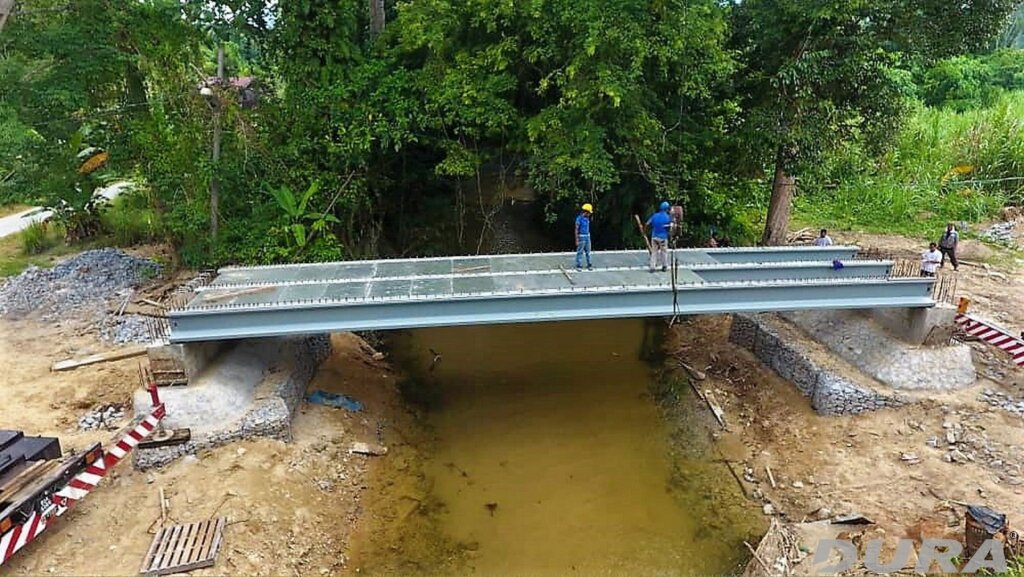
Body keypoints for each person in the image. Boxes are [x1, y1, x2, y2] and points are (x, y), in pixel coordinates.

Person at [645, 201, 674, 272]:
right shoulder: (668, 217)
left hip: (654, 237)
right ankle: (664, 266)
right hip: (663, 238)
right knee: (663, 251)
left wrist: (644, 229)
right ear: (667, 209)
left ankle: (652, 267)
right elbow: (672, 227)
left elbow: (647, 223)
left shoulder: (655, 215)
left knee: (654, 252)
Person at [575, 203, 593, 271]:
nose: (589, 214)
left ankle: (589, 264)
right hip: (581, 236)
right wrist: (576, 239)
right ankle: (578, 265)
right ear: (586, 212)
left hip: (587, 236)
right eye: (589, 213)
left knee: (588, 251)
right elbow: (576, 229)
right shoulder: (579, 219)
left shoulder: (587, 218)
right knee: (580, 251)